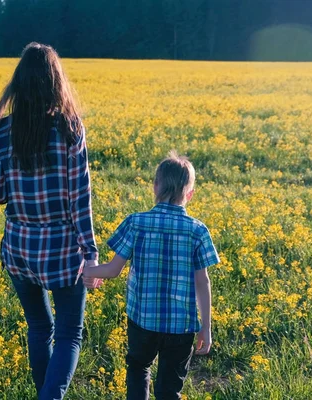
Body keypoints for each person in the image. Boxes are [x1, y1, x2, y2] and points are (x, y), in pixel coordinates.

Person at [0, 42, 100, 400]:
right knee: (68, 335)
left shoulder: (2, 131)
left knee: (39, 328)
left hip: (20, 248)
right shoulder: (69, 128)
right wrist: (91, 253)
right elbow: (79, 198)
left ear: (18, 83)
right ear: (56, 83)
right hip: (63, 250)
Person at [84, 151, 219, 400]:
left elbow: (113, 269)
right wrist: (206, 328)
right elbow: (203, 282)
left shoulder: (136, 223)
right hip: (181, 328)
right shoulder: (198, 231)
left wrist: (87, 270)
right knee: (170, 389)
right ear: (190, 194)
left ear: (155, 186)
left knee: (138, 367)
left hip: (143, 321)